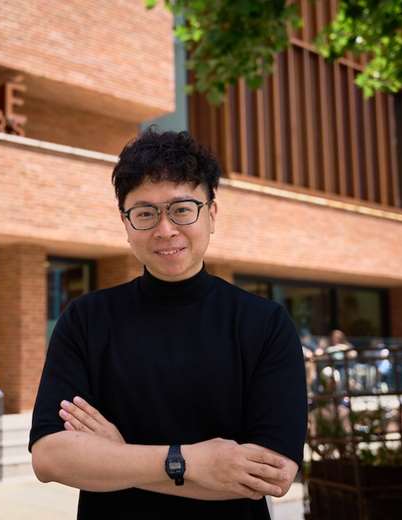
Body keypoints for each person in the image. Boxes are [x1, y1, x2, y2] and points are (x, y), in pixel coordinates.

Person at [29, 129, 307, 519]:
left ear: (211, 213)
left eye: (182, 209)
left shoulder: (265, 323)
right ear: (126, 224)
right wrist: (189, 461)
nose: (165, 229)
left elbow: (272, 475)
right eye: (145, 213)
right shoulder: (86, 319)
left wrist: (118, 458)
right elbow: (50, 458)